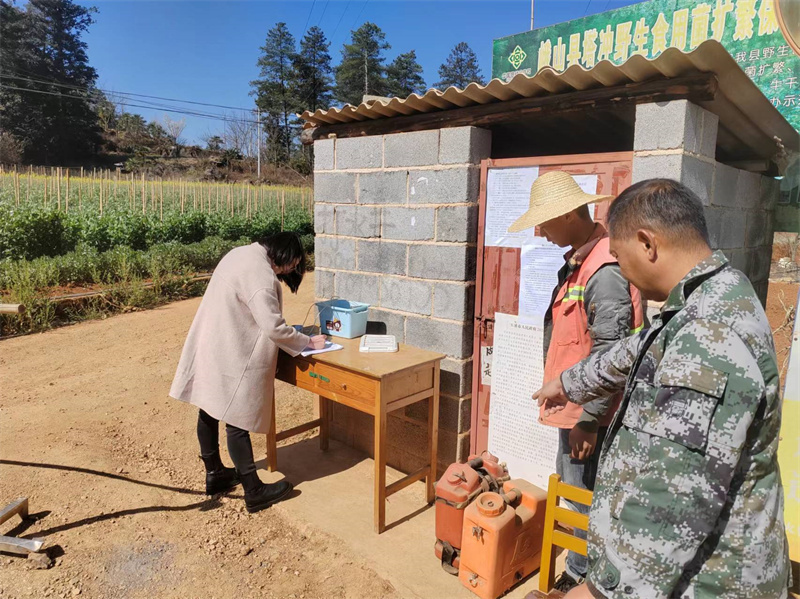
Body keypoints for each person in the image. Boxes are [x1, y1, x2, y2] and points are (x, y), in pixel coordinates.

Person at [534, 179, 790, 598]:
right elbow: (636, 347)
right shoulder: (709, 292)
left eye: (620, 256)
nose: (621, 268)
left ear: (647, 244)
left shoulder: (709, 336)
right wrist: (569, 382)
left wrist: (598, 591)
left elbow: (673, 502)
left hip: (709, 581)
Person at [508, 171, 644, 592]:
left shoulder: (602, 270)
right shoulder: (581, 262)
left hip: (591, 417)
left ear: (569, 214)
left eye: (545, 221)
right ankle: (585, 569)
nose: (540, 230)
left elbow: (613, 352)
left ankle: (582, 578)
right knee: (575, 491)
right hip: (575, 411)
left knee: (586, 498)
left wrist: (589, 416)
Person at [170, 232, 326, 514]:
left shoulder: (240, 254)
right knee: (237, 419)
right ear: (284, 254)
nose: (290, 270)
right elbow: (273, 328)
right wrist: (306, 342)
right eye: (292, 264)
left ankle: (215, 473)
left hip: (213, 341)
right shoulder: (261, 274)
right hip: (232, 350)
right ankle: (253, 490)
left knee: (208, 407)